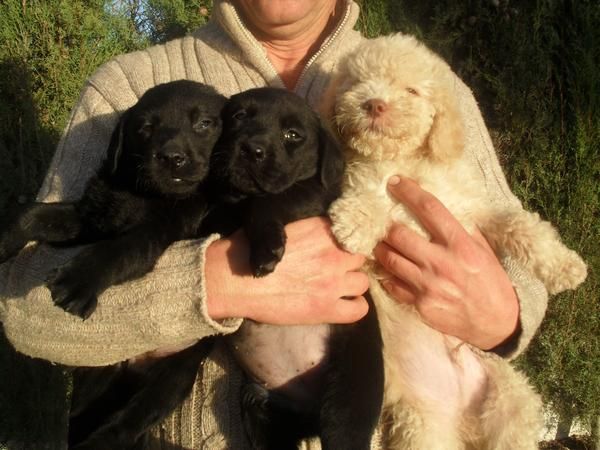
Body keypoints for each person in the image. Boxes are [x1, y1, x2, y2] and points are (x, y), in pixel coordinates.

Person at [0, 0, 548, 448]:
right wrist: (213, 284)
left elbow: (521, 264)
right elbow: (25, 311)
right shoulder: (131, 85)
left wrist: (503, 313)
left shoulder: (422, 80)